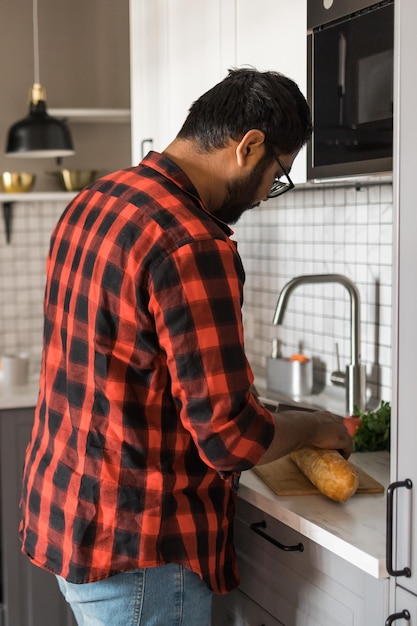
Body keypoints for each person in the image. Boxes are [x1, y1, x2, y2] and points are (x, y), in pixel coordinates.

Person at [20, 68, 352, 626]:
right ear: (249, 146)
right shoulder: (192, 242)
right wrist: (316, 425)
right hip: (144, 552)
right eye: (277, 175)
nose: (267, 194)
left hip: (71, 522)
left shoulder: (97, 199)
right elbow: (231, 439)